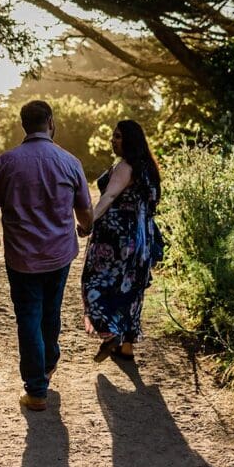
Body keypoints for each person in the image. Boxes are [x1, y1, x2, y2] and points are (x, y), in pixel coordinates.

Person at [0, 100, 93, 411]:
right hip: (58, 255)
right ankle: (46, 365)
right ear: (51, 123)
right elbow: (84, 211)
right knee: (50, 311)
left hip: (22, 257)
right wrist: (85, 228)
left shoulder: (6, 162)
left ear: (23, 125)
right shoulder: (70, 162)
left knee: (29, 316)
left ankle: (36, 390)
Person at [81, 119, 161, 361]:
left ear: (130, 140)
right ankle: (126, 346)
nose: (112, 140)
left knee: (94, 282)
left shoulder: (125, 167)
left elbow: (110, 196)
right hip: (141, 238)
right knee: (130, 288)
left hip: (116, 239)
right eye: (113, 136)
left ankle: (109, 332)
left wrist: (89, 222)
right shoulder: (149, 167)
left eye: (117, 136)